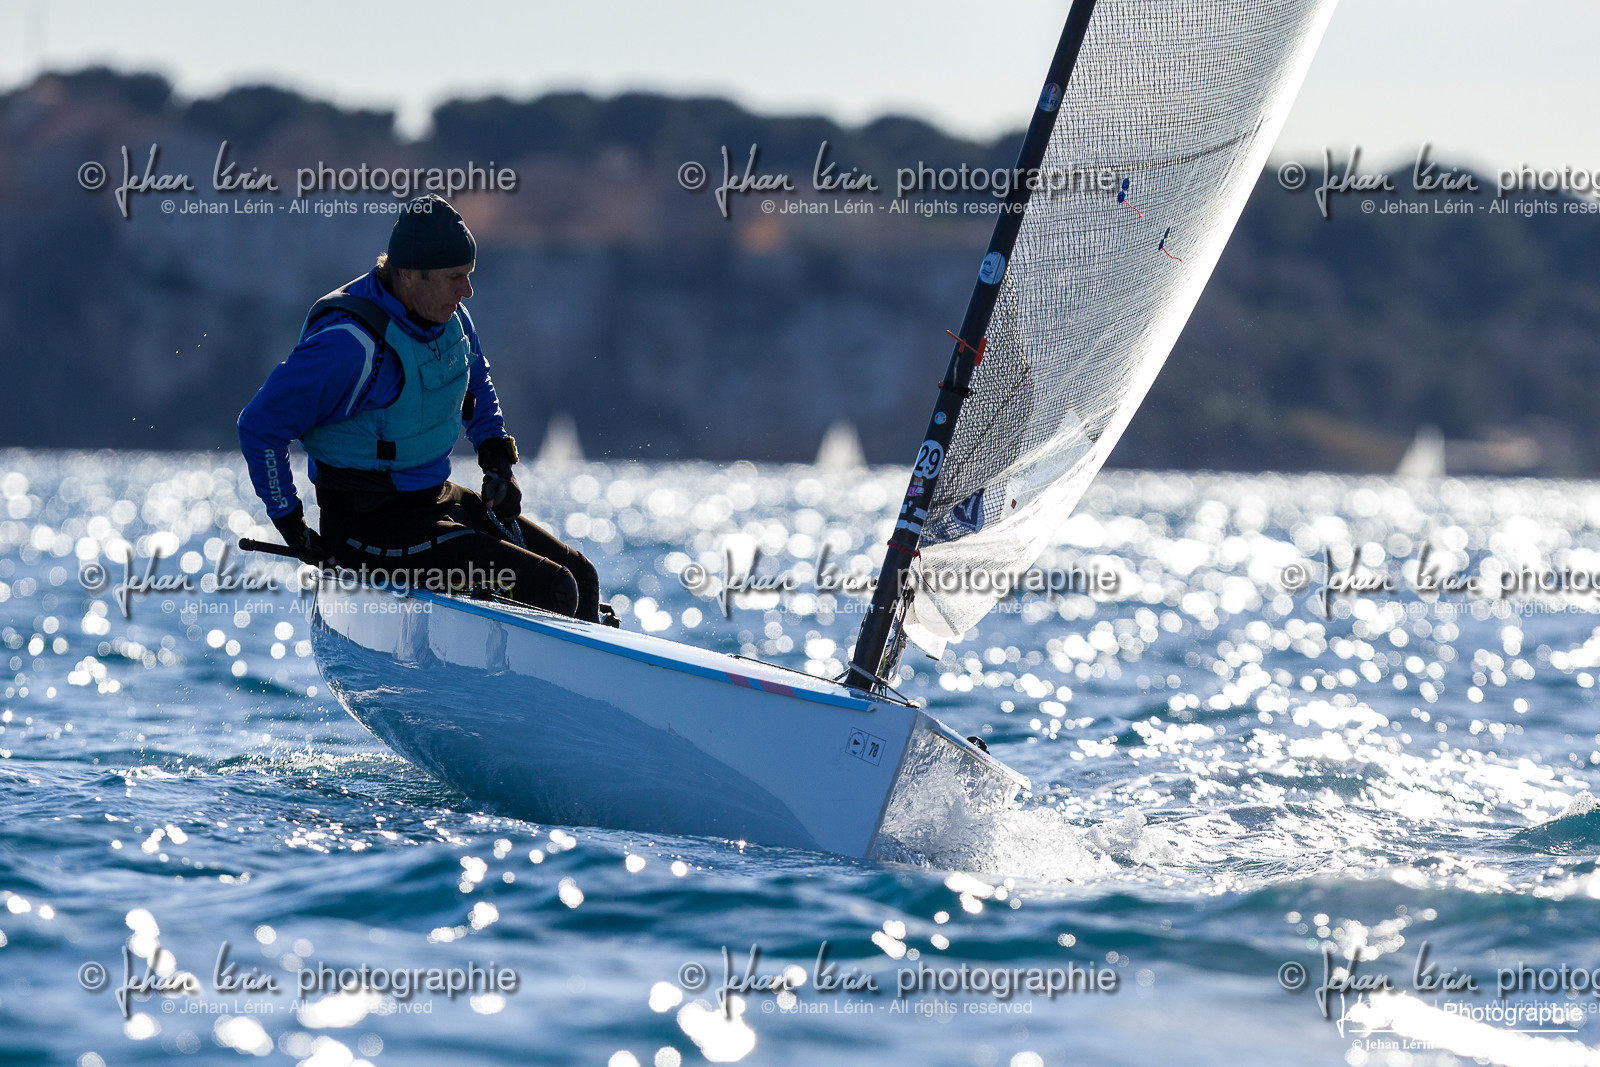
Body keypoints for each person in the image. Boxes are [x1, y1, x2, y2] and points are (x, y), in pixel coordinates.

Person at [238, 194, 610, 623]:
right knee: (554, 589)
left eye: (469, 275)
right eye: (455, 278)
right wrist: (292, 526)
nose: (467, 290)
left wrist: (497, 464)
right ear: (409, 274)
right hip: (368, 528)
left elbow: (476, 384)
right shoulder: (349, 347)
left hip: (434, 501)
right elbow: (259, 427)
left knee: (582, 578)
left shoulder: (454, 319)